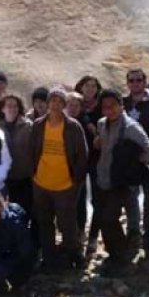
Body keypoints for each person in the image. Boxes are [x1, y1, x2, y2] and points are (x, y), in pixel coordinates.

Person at [94, 89, 149, 276]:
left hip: (122, 182)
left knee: (108, 218)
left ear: (121, 105)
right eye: (105, 107)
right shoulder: (102, 124)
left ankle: (120, 257)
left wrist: (131, 163)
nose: (109, 110)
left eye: (113, 105)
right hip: (104, 178)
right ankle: (114, 255)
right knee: (107, 220)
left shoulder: (131, 127)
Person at [31, 86, 88, 270]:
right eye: (52, 100)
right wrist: (34, 173)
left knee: (67, 223)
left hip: (65, 184)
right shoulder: (39, 124)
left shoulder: (72, 126)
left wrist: (75, 181)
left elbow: (81, 155)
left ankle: (74, 254)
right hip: (41, 182)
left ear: (64, 104)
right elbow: (32, 150)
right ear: (48, 103)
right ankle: (49, 257)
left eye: (59, 101)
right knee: (45, 222)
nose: (55, 104)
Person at [123, 68, 149, 258]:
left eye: (139, 80)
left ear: (145, 82)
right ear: (127, 83)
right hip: (129, 160)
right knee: (130, 198)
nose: (135, 83)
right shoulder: (123, 104)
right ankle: (133, 235)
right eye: (131, 80)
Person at [0, 94, 35, 240]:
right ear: (2, 109)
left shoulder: (28, 126)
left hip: (25, 178)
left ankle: (25, 245)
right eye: (8, 105)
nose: (12, 109)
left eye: (15, 106)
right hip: (4, 180)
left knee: (24, 213)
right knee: (4, 214)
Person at [73, 76, 105, 254]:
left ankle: (93, 236)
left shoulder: (102, 107)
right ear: (81, 87)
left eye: (94, 86)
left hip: (97, 159)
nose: (90, 89)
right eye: (87, 85)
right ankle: (79, 233)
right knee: (78, 199)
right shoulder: (74, 104)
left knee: (97, 199)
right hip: (77, 160)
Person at [64, 91, 92, 244]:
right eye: (70, 105)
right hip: (62, 169)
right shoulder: (59, 122)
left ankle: (80, 231)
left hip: (80, 170)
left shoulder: (86, 124)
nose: (73, 108)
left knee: (80, 201)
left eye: (76, 105)